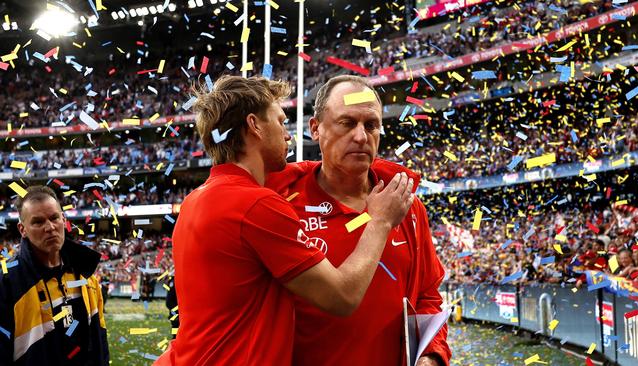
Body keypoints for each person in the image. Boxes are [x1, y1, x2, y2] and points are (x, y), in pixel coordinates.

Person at [155, 75, 414, 366]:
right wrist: (379, 221)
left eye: (370, 125)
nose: (288, 134)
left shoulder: (195, 200)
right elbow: (342, 297)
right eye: (280, 121)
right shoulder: (257, 204)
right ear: (254, 126)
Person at [266, 75, 451, 366]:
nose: (361, 136)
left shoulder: (407, 205)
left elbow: (428, 297)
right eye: (347, 123)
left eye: (371, 124)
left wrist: (432, 357)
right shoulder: (279, 203)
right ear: (315, 128)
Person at [0, 186, 109, 365]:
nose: (49, 227)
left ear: (63, 219)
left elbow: (100, 342)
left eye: (54, 218)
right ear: (22, 229)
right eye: (38, 222)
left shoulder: (86, 275)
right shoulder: (7, 283)